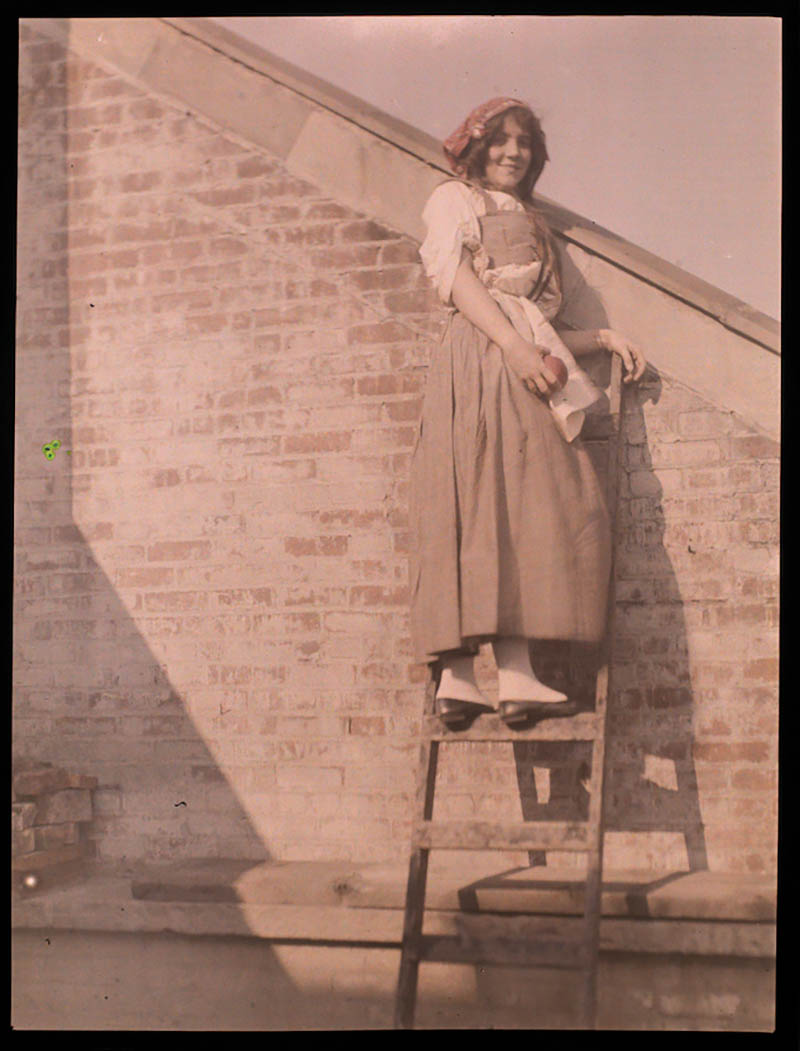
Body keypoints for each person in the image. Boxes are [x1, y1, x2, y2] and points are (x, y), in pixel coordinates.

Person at [409, 97, 645, 730]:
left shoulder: (533, 222)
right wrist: (513, 349)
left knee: (515, 503)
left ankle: (507, 678)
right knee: (480, 499)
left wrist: (601, 340)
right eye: (501, 141)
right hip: (483, 360)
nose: (513, 152)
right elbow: (457, 280)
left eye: (525, 144)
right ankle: (463, 679)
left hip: (522, 358)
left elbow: (544, 320)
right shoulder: (453, 200)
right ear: (477, 146)